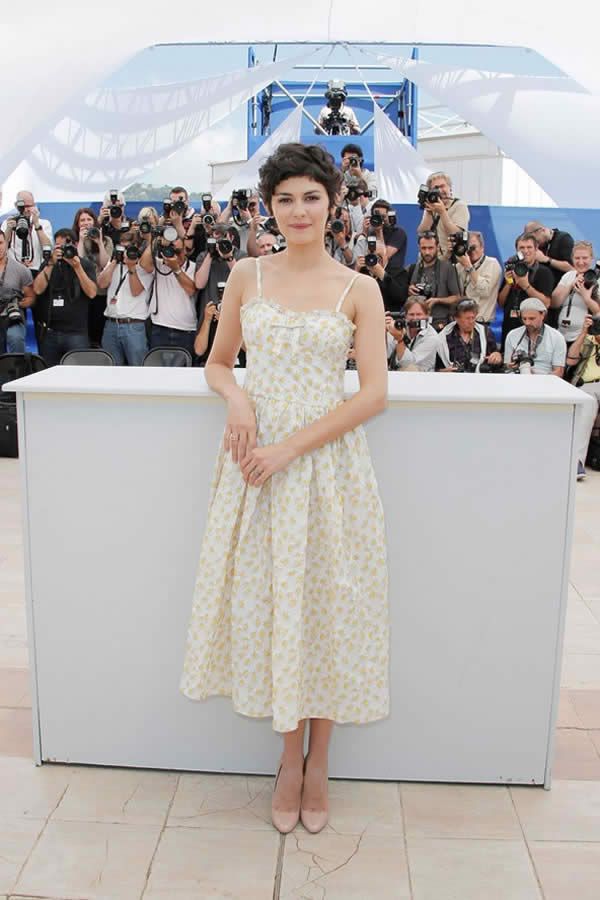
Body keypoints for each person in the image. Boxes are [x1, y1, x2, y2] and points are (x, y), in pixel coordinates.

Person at [179, 142, 389, 836]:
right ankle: (285, 761)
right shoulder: (247, 276)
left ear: (334, 205)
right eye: (285, 199)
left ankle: (319, 762)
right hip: (255, 472)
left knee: (328, 610)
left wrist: (289, 447)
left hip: (326, 469)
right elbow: (216, 363)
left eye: (312, 198)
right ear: (268, 207)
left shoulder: (359, 288)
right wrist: (237, 399)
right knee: (274, 607)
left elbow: (373, 395)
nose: (298, 211)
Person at [32, 229, 97, 366]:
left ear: (76, 244)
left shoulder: (85, 265)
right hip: (51, 333)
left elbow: (92, 293)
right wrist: (50, 264)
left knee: (78, 377)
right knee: (49, 377)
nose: (64, 249)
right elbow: (37, 289)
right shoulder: (49, 264)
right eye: (59, 246)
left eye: (67, 245)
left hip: (76, 333)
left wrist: (77, 267)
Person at [97, 232, 152, 365]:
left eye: (129, 248)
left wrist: (132, 266)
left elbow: (136, 291)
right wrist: (115, 261)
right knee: (111, 371)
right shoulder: (114, 263)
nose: (125, 252)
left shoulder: (144, 267)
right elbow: (101, 284)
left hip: (133, 326)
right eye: (122, 248)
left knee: (138, 369)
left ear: (137, 248)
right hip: (111, 324)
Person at [139, 234, 197, 355]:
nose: (175, 254)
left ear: (186, 250)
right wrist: (156, 241)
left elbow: (191, 290)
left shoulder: (194, 267)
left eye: (178, 251)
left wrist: (176, 268)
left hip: (186, 330)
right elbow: (143, 264)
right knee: (158, 371)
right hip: (160, 328)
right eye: (171, 249)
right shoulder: (160, 264)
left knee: (183, 372)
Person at [498, 232, 553, 349]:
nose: (525, 251)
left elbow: (546, 303)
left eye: (529, 247)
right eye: (521, 248)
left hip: (532, 329)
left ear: (536, 249)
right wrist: (509, 283)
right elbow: (501, 303)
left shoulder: (544, 272)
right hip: (509, 326)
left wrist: (526, 286)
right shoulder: (511, 268)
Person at [566, 314, 600, 479]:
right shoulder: (588, 340)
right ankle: (577, 462)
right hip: (588, 385)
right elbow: (571, 360)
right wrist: (583, 333)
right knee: (587, 404)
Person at [72, 207, 112, 348]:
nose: (86, 223)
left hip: (101, 293)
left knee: (99, 334)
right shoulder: (72, 241)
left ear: (95, 222)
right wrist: (81, 241)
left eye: (89, 219)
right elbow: (79, 263)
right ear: (77, 224)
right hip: (81, 293)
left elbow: (105, 264)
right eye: (82, 220)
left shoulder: (106, 240)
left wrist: (99, 243)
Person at [551, 241, 600, 348]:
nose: (581, 262)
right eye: (577, 258)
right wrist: (570, 285)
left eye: (585, 258)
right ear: (572, 258)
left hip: (586, 339)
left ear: (591, 258)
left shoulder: (598, 279)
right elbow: (554, 303)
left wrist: (586, 297)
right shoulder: (568, 276)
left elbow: (598, 312)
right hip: (561, 337)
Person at [408, 231, 461, 330]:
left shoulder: (447, 268)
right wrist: (409, 290)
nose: (427, 252)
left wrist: (437, 300)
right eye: (424, 248)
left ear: (437, 247)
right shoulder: (412, 269)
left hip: (440, 323)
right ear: (419, 248)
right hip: (416, 323)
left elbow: (457, 298)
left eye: (430, 248)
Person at [503, 298, 566, 376]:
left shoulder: (557, 337)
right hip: (518, 380)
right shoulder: (512, 335)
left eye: (532, 318)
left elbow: (559, 372)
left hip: (545, 383)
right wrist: (511, 366)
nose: (527, 323)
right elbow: (506, 367)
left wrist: (537, 380)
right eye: (524, 318)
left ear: (543, 315)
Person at [437, 299, 502, 372]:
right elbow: (435, 368)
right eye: (467, 318)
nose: (471, 322)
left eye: (473, 318)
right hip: (453, 380)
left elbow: (496, 356)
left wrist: (497, 356)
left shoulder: (485, 333)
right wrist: (442, 371)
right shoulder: (444, 338)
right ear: (456, 318)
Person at [417, 172, 470, 258]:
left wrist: (442, 212)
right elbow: (422, 233)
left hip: (452, 259)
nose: (440, 190)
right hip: (432, 259)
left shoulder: (459, 205)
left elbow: (456, 234)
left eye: (442, 186)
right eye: (436, 188)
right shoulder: (432, 206)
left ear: (450, 188)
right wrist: (428, 211)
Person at [454, 231, 502, 326]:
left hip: (481, 322)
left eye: (473, 247)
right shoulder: (459, 266)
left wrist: (469, 267)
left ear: (482, 248)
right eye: (467, 247)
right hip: (461, 321)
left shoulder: (492, 263)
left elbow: (485, 290)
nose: (470, 250)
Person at [0, 230, 35, 353]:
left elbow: (31, 297)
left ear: (6, 243)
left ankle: (19, 370)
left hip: (12, 315)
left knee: (15, 338)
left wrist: (18, 304)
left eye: (0, 243)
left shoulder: (21, 270)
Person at [2, 190, 53, 271]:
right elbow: (2, 246)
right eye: (23, 206)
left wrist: (37, 225)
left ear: (34, 205)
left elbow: (48, 246)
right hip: (13, 271)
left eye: (29, 206)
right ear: (16, 205)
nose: (26, 209)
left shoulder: (43, 223)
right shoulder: (8, 223)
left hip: (36, 270)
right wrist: (9, 229)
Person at [385, 297, 440, 371]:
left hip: (421, 377)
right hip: (395, 373)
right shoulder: (399, 327)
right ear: (405, 316)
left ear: (427, 315)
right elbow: (385, 354)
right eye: (411, 314)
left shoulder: (432, 337)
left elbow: (407, 364)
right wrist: (383, 332)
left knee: (410, 368)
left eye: (419, 314)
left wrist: (400, 340)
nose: (415, 318)